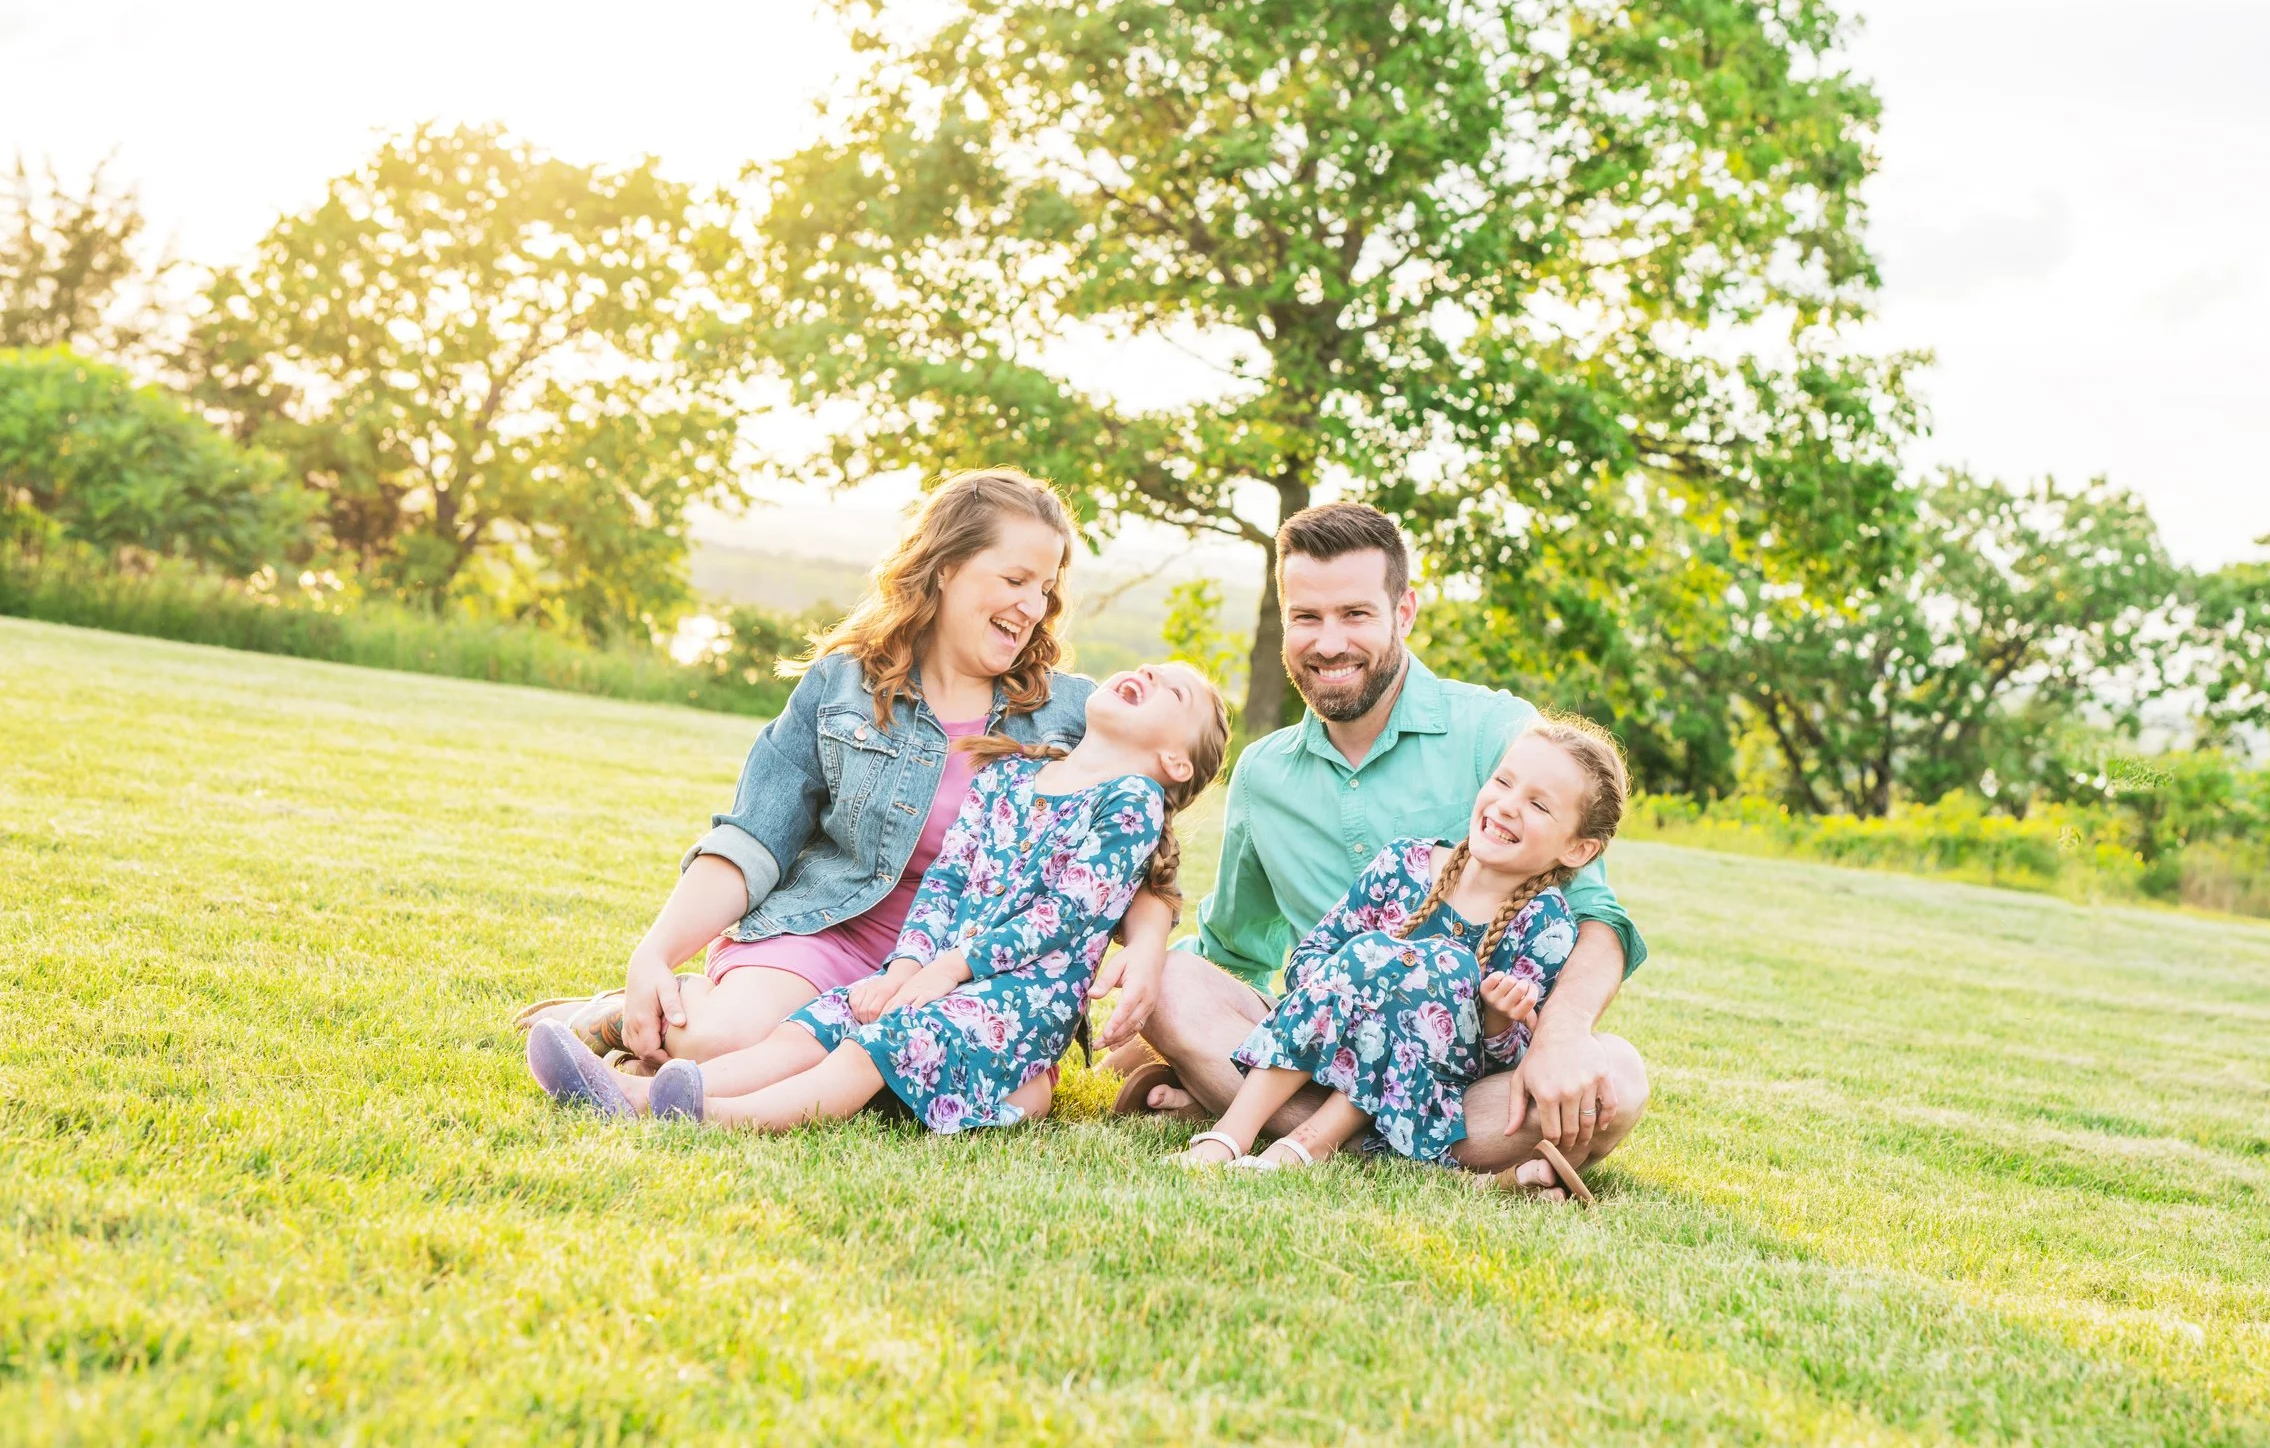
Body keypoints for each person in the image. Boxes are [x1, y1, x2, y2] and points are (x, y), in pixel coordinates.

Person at [518, 469, 1171, 1072]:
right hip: (826, 934)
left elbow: (1125, 859)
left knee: (899, 1080)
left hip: (966, 973)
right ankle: (643, 1008)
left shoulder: (1072, 714)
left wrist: (1145, 943)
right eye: (1014, 579)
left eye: (1046, 588)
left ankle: (690, 1039)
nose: (1032, 605)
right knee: (719, 1042)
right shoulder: (842, 684)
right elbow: (754, 838)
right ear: (945, 567)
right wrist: (654, 953)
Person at [1103, 502, 1651, 1198]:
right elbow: (1233, 946)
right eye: (1306, 617)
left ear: (1405, 611)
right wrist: (1156, 1019)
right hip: (1320, 1037)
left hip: (1466, 1076)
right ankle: (1416, 1156)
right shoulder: (1265, 772)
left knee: (1618, 1077)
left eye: (1356, 614)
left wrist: (1562, 1031)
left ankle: (1282, 1126)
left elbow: (1598, 913)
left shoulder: (1500, 732)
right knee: (1171, 982)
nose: (1329, 642)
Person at [527, 663, 1230, 1132]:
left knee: (870, 1048)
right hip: (927, 973)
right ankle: (643, 1092)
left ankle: (699, 1112)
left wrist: (947, 969)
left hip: (1017, 999)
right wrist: (905, 967)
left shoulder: (1130, 801)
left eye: (1175, 690)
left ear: (1174, 761)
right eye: (1148, 667)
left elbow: (1066, 913)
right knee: (811, 1027)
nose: (1146, 671)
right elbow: (948, 882)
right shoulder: (1008, 775)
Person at [1171, 717, 1626, 1185]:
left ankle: (1307, 1142)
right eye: (1503, 782)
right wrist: (1363, 983)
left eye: (1538, 805)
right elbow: (1310, 959)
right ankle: (1228, 1134)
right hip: (1326, 1035)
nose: (1508, 806)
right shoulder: (1402, 863)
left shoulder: (1546, 923)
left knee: (1443, 964)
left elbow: (1508, 1062)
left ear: (1577, 849)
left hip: (1430, 1085)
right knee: (1376, 955)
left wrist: (1497, 1018)